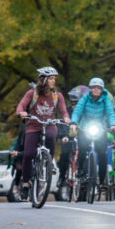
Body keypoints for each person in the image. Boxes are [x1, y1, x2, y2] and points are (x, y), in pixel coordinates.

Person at [16, 67, 70, 195]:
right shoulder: (32, 93)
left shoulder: (57, 96)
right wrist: (21, 112)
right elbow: (22, 105)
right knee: (28, 154)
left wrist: (66, 118)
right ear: (43, 80)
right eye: (51, 79)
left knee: (51, 136)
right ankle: (25, 184)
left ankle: (48, 162)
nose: (53, 81)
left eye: (54, 79)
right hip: (33, 126)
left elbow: (63, 111)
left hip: (50, 125)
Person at [69, 77, 115, 187]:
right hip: (84, 127)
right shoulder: (85, 98)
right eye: (93, 87)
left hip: (100, 128)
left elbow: (110, 113)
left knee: (102, 153)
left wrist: (113, 125)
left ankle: (102, 181)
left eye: (98, 88)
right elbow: (77, 110)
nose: (96, 89)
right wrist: (73, 122)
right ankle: (80, 170)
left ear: (102, 90)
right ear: (90, 89)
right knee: (82, 150)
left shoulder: (105, 99)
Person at [56, 84, 88, 200]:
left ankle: (86, 176)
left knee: (87, 154)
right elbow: (63, 124)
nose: (74, 106)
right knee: (64, 154)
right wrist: (64, 135)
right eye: (73, 103)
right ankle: (62, 176)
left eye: (77, 104)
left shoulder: (86, 112)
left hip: (83, 137)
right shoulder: (67, 111)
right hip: (69, 137)